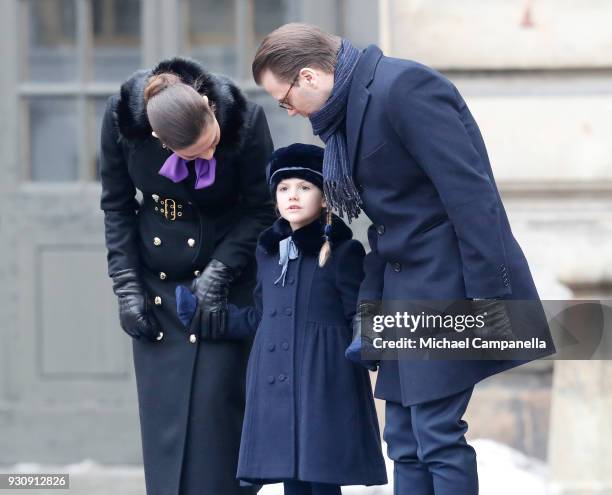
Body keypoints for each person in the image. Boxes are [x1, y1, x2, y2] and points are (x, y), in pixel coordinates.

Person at [250, 23, 556, 495]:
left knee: (436, 435)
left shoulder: (404, 87)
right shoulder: (342, 116)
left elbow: (471, 194)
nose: (286, 109)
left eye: (284, 98)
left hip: (447, 283)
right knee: (404, 441)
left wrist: (488, 299)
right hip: (397, 287)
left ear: (309, 77)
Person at [99, 56, 275, 495]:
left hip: (226, 281)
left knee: (217, 418)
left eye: (212, 142)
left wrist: (219, 273)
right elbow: (117, 206)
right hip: (157, 283)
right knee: (165, 424)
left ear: (208, 107)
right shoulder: (121, 121)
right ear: (159, 139)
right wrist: (125, 285)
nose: (210, 154)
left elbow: (261, 208)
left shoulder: (247, 121)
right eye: (195, 154)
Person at [180, 144, 388, 495]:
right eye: (283, 188)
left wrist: (368, 346)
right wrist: (207, 317)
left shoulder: (343, 252)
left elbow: (358, 312)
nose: (293, 196)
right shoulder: (268, 254)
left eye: (305, 188)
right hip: (275, 380)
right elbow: (258, 318)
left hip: (323, 379)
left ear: (324, 199)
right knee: (291, 476)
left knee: (322, 476)